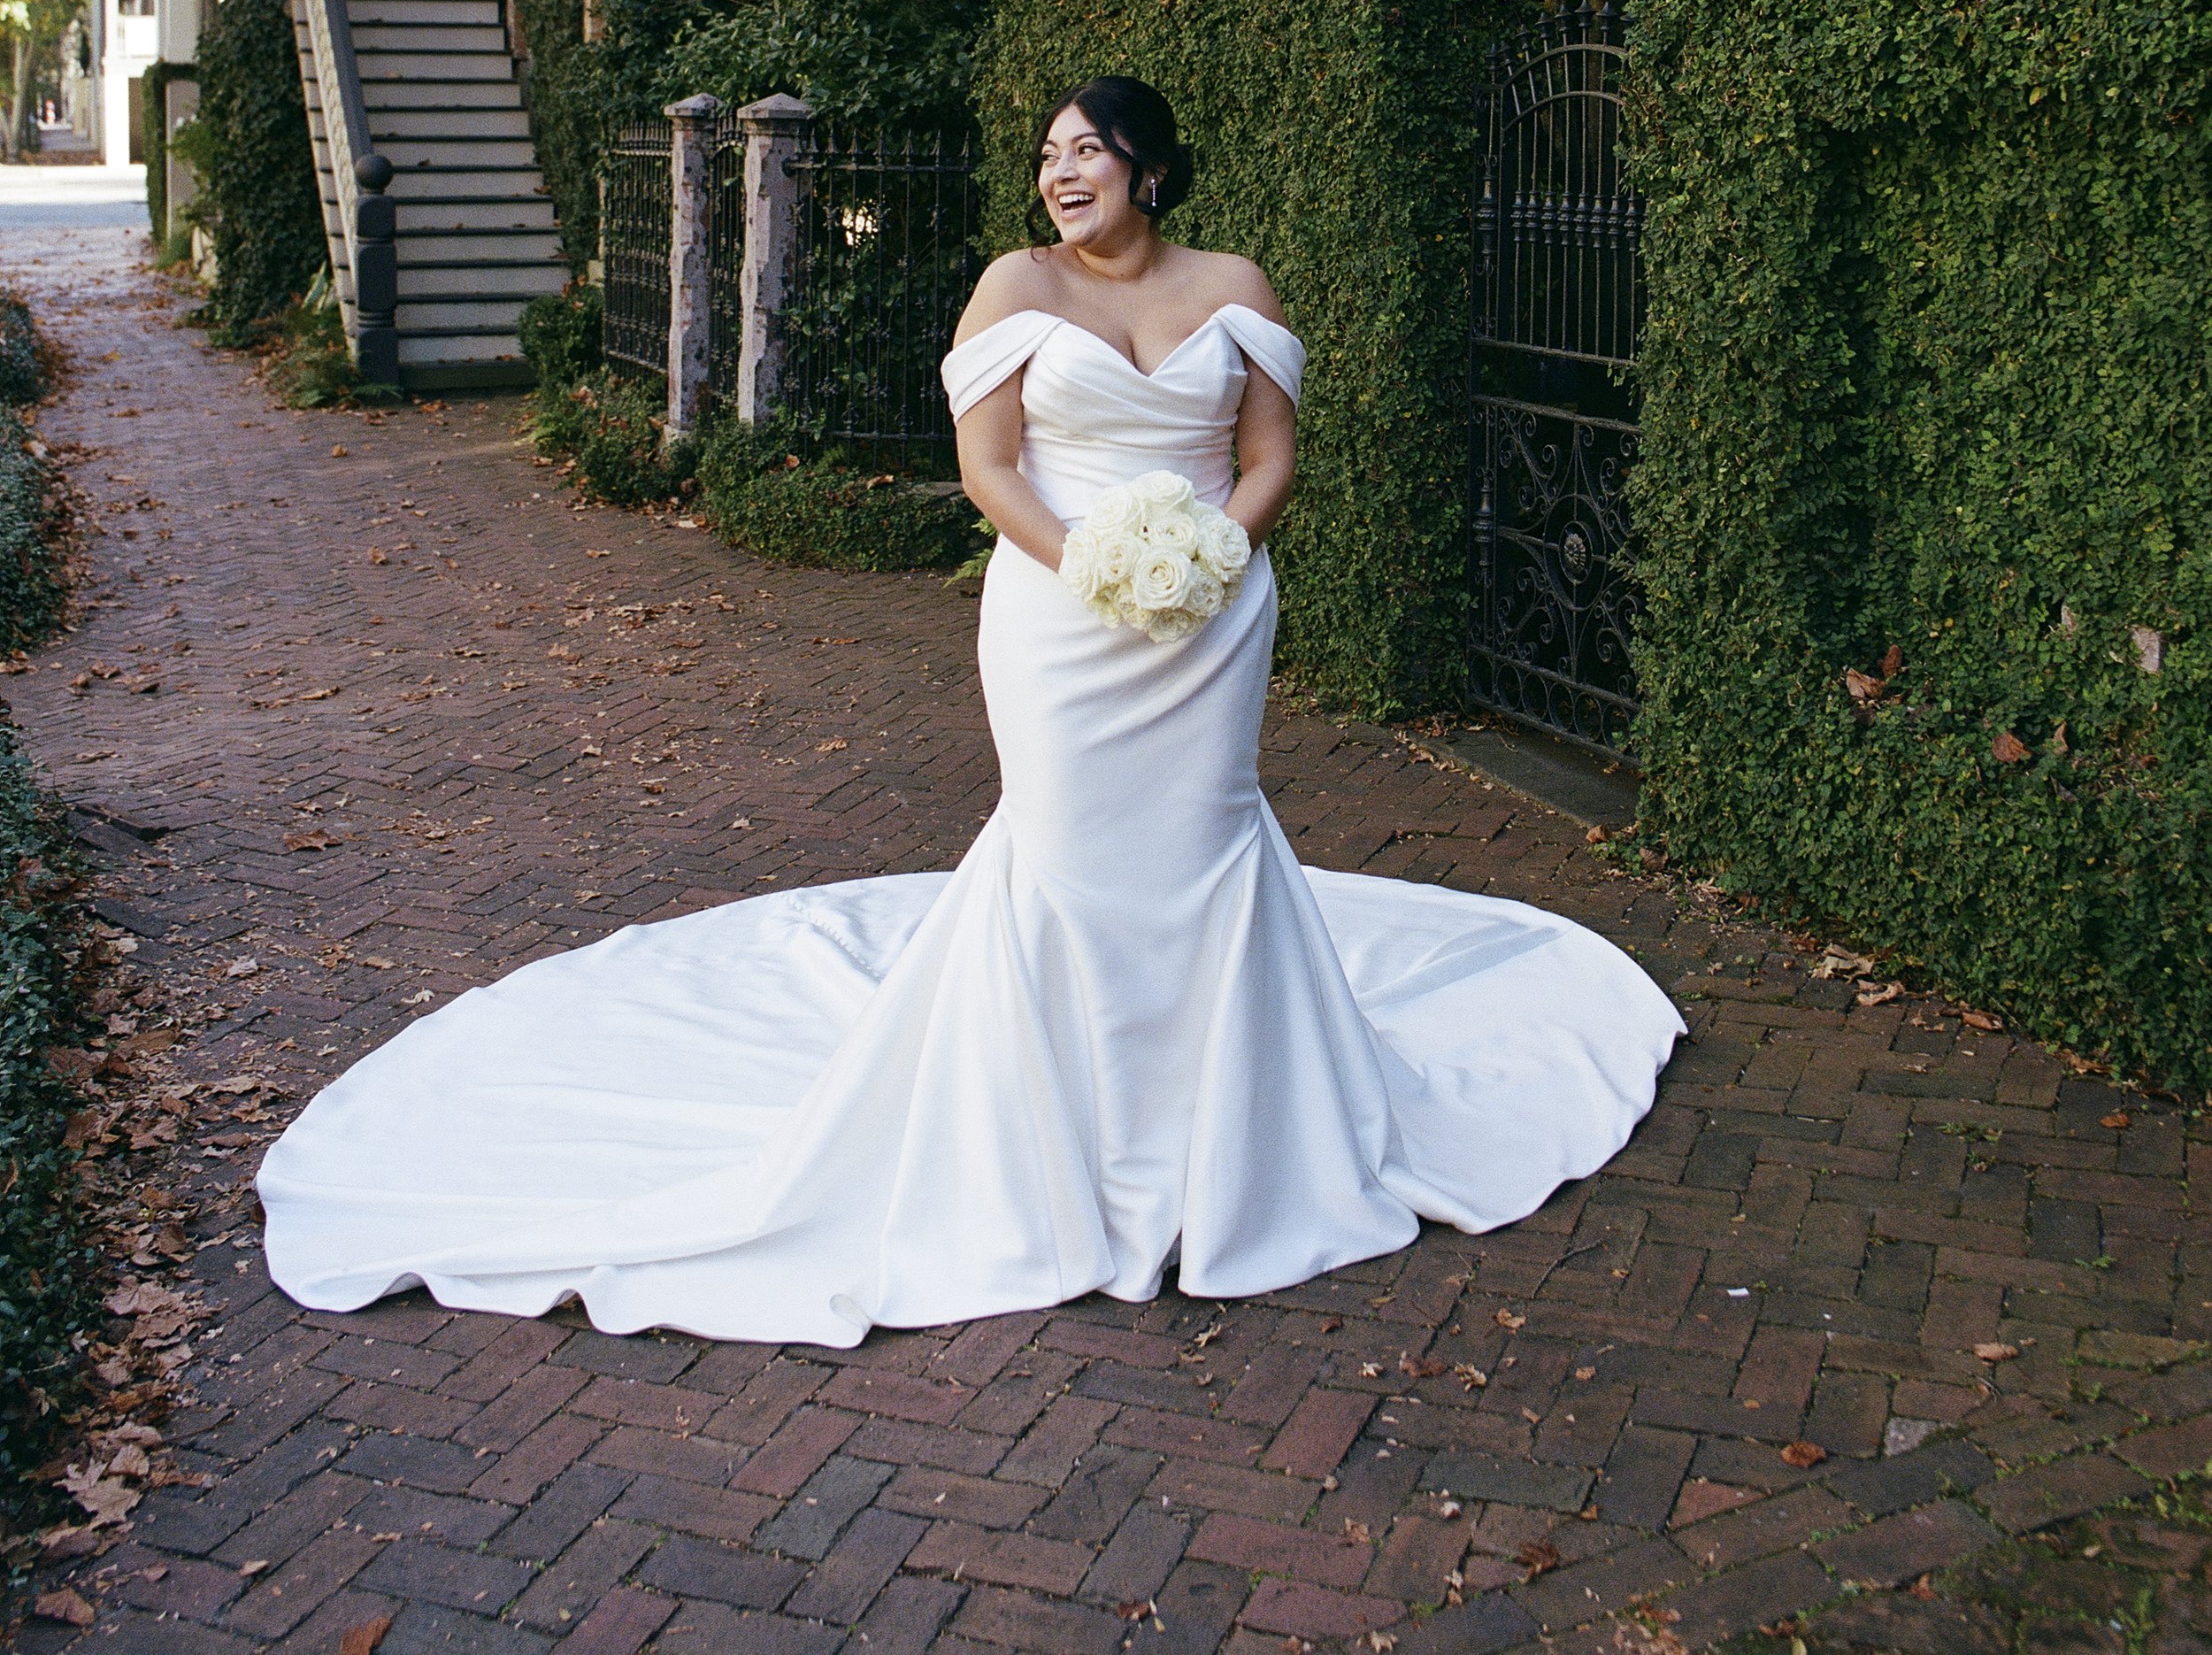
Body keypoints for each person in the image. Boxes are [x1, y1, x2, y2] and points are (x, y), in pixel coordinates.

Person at [257, 77, 1680, 1343]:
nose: (1065, 173)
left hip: (1213, 617)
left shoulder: (1235, 283)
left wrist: (1221, 555)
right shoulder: (1015, 285)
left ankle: (1230, 1143)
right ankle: (1050, 1148)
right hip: (1064, 618)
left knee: (1204, 847)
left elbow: (1268, 453)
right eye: (1052, 153)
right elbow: (993, 467)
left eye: (1092, 151)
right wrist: (1101, 570)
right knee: (1065, 854)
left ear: (1152, 169)